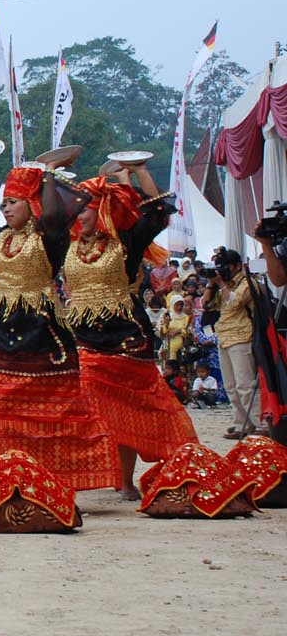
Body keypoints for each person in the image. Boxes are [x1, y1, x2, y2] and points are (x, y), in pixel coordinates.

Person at [0, 162, 117, 492]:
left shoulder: (50, 238)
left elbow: (53, 217)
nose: (6, 207)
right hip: (3, 334)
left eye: (14, 201)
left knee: (55, 418)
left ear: (32, 204)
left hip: (44, 333)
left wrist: (48, 175)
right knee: (2, 416)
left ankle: (58, 481)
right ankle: (15, 479)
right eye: (4, 202)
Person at [62, 166, 197, 498]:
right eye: (77, 209)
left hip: (125, 336)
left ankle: (126, 480)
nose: (80, 215)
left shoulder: (125, 243)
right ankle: (98, 475)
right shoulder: (67, 243)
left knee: (130, 408)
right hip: (83, 335)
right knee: (92, 406)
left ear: (103, 210)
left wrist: (138, 171)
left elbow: (158, 210)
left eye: (86, 208)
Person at [212, 250, 259, 439]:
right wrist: (210, 284)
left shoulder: (248, 283)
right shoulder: (225, 286)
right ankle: (242, 424)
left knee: (245, 384)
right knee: (231, 386)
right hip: (224, 337)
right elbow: (208, 305)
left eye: (226, 267)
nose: (223, 271)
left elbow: (236, 302)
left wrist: (221, 284)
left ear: (237, 266)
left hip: (242, 336)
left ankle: (260, 422)